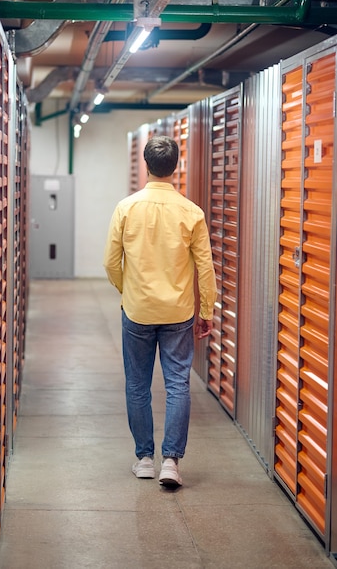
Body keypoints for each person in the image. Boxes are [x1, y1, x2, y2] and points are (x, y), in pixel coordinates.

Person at [103, 135, 217, 487]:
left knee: (137, 384)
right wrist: (207, 310)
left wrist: (128, 291)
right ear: (176, 166)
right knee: (177, 384)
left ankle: (144, 459)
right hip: (179, 314)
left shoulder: (126, 208)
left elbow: (110, 262)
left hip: (137, 311)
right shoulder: (191, 212)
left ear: (146, 164)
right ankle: (171, 462)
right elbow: (205, 267)